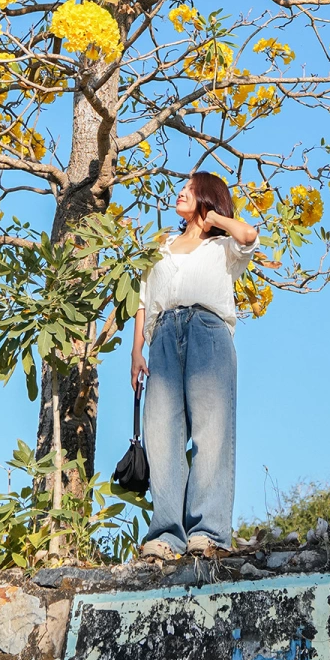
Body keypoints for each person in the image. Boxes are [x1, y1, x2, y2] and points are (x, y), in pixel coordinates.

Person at [129, 171, 259, 561]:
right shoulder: (161, 247)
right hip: (164, 336)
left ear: (206, 197)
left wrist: (215, 219)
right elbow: (142, 300)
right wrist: (137, 352)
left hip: (208, 333)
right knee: (162, 436)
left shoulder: (223, 246)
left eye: (191, 188)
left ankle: (209, 532)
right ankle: (168, 534)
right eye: (183, 187)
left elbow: (249, 235)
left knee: (212, 432)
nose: (181, 191)